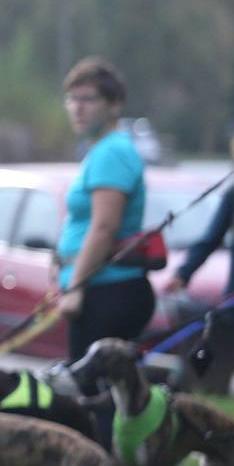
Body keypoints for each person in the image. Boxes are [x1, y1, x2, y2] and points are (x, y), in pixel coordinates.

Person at [55, 57, 153, 359]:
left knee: (93, 396)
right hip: (101, 289)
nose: (77, 107)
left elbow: (104, 227)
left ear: (114, 105)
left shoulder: (112, 152)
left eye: (88, 99)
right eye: (72, 99)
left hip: (108, 291)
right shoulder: (101, 150)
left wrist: (75, 286)